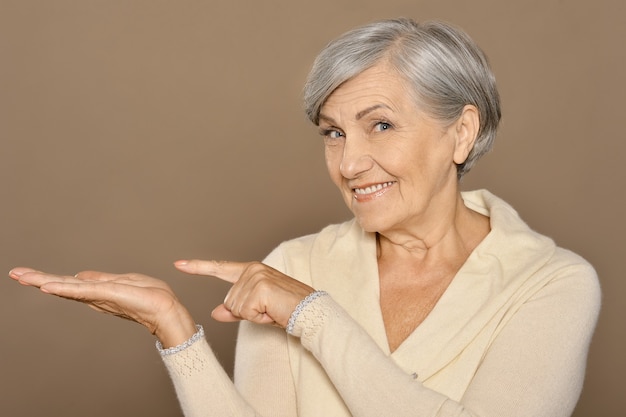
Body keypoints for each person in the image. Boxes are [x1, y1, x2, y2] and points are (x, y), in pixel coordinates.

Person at [8, 18, 600, 417]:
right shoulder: (292, 266)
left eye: (381, 125)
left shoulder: (551, 284)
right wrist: (175, 333)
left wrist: (312, 318)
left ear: (461, 133)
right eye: (334, 133)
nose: (350, 162)